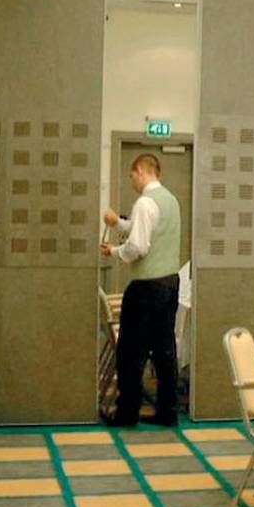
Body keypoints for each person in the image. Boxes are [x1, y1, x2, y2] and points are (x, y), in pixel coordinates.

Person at [100, 153, 181, 426]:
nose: (132, 181)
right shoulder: (171, 201)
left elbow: (138, 246)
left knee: (131, 352)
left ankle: (127, 412)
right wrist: (119, 223)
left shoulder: (145, 202)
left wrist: (113, 251)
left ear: (140, 171)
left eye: (132, 176)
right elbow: (146, 230)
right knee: (164, 350)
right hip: (169, 283)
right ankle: (167, 412)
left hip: (146, 287)